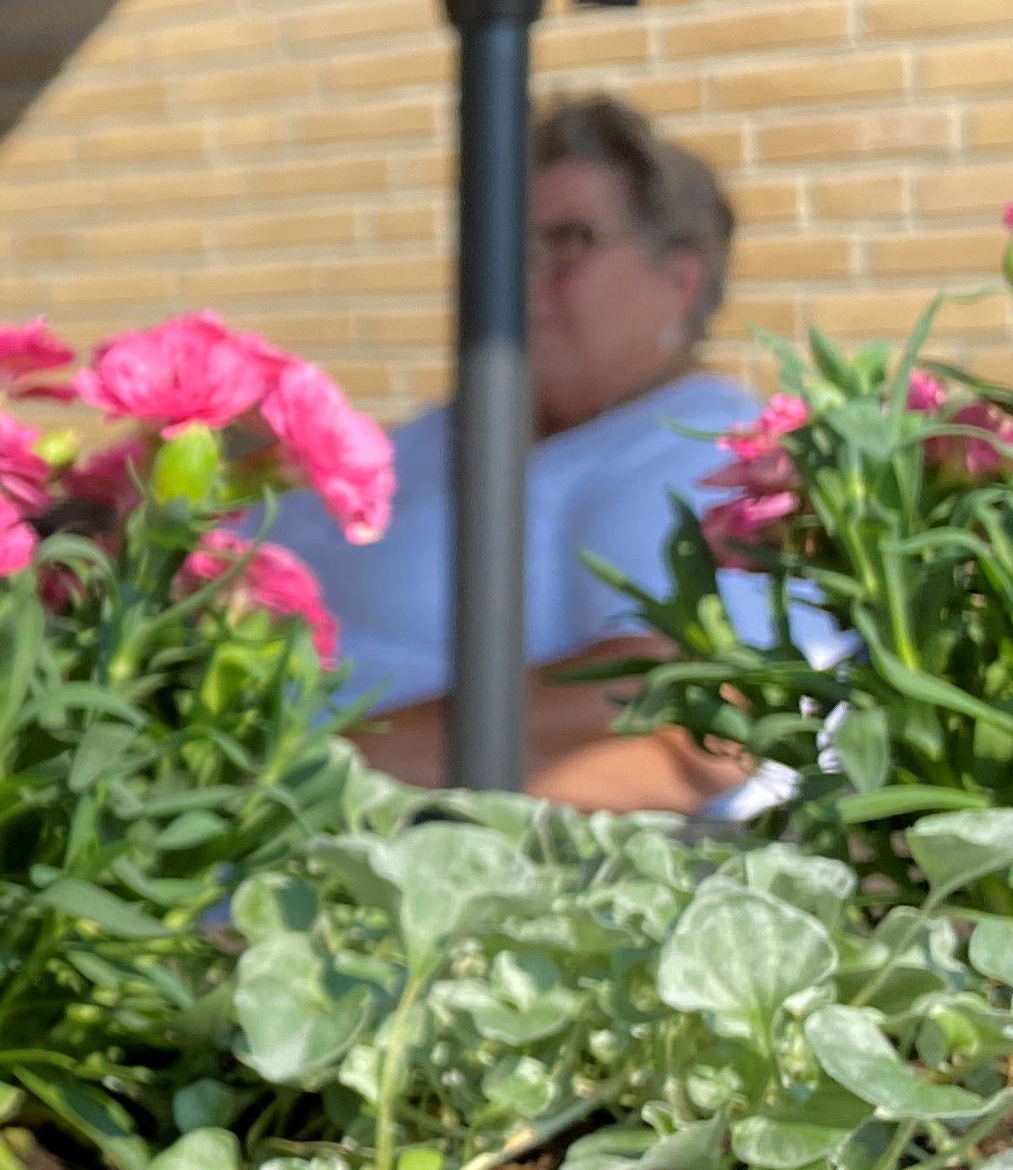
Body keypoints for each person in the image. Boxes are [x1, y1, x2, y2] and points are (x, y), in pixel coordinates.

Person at [266, 96, 756, 810]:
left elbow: (682, 704)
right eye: (505, 242)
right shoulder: (467, 424)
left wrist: (309, 769)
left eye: (568, 241)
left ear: (679, 279)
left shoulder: (693, 446)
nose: (520, 276)